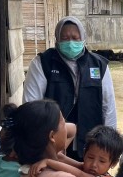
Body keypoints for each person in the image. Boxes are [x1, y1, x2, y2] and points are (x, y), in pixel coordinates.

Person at [23, 16, 117, 158]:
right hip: (52, 144)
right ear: (57, 39)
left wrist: (109, 145)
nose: (71, 42)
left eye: (75, 37)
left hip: (91, 145)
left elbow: (108, 106)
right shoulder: (43, 63)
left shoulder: (99, 65)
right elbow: (31, 105)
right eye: (65, 38)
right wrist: (36, 144)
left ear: (83, 39)